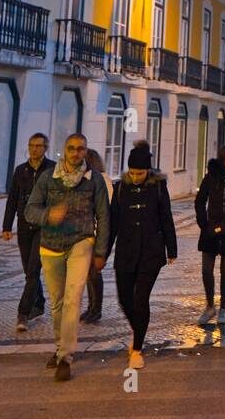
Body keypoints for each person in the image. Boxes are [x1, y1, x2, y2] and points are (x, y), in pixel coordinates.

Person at [24, 132, 111, 382]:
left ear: (86, 151)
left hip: (81, 243)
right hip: (50, 246)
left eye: (81, 149)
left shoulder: (93, 180)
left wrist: (100, 251)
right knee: (57, 302)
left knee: (73, 299)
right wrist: (48, 215)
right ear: (64, 150)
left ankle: (65, 357)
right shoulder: (47, 178)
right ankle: (60, 346)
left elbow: (104, 216)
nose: (76, 153)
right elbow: (30, 210)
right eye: (72, 149)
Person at [110, 143, 177, 370]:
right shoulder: (120, 188)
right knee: (124, 299)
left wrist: (172, 249)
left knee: (141, 299)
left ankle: (137, 348)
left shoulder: (158, 188)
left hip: (151, 251)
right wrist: (103, 251)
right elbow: (112, 223)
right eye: (132, 172)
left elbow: (166, 217)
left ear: (148, 170)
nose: (136, 177)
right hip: (126, 251)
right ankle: (138, 329)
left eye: (140, 173)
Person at [2, 132, 54, 333]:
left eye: (39, 146)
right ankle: (39, 303)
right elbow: (12, 199)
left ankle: (23, 314)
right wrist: (7, 226)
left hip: (43, 226)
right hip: (24, 226)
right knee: (28, 271)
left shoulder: (52, 169)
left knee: (33, 270)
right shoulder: (20, 170)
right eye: (32, 145)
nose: (34, 149)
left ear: (45, 148)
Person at [194, 142, 225, 327]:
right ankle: (209, 306)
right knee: (206, 270)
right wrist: (203, 223)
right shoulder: (212, 176)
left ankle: (223, 308)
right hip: (210, 229)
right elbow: (200, 200)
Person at [81, 149, 114, 324]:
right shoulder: (88, 179)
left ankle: (97, 309)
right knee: (89, 272)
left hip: (99, 233)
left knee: (94, 271)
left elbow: (105, 209)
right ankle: (91, 307)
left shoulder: (102, 180)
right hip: (89, 232)